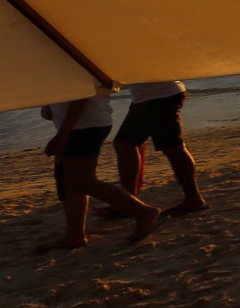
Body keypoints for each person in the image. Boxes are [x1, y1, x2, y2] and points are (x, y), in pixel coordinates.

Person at [38, 92, 163, 250]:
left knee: (82, 181)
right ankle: (74, 235)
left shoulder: (76, 68)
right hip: (81, 125)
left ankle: (143, 212)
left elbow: (81, 96)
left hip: (84, 126)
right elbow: (54, 109)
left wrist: (63, 134)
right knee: (72, 182)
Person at [112, 79, 206, 216]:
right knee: (124, 144)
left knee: (173, 148)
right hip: (144, 98)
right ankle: (129, 202)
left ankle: (194, 199)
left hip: (161, 97)